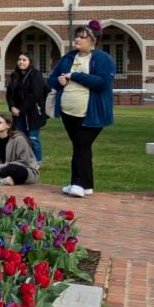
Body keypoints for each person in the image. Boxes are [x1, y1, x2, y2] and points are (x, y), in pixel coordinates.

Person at [49, 24, 114, 198]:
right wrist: (59, 80)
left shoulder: (103, 58)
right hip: (67, 111)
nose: (78, 39)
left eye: (83, 37)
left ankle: (76, 183)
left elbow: (102, 83)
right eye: (77, 36)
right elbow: (52, 78)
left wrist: (74, 75)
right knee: (81, 147)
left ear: (93, 41)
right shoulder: (68, 57)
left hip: (92, 113)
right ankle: (86, 185)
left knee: (81, 145)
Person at [6, 51, 49, 164]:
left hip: (33, 112)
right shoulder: (14, 75)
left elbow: (34, 94)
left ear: (30, 62)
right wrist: (12, 107)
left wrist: (21, 109)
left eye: (24, 60)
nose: (21, 62)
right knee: (20, 138)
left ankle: (37, 162)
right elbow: (9, 94)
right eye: (19, 60)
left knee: (33, 138)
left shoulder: (36, 75)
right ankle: (23, 160)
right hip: (17, 113)